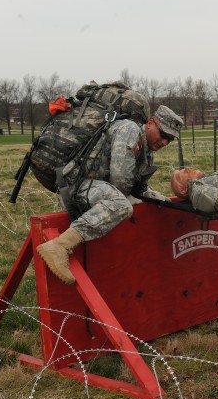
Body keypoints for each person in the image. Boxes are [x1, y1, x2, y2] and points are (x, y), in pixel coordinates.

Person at [37, 105, 183, 286]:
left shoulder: (146, 150)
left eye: (170, 139)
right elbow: (121, 179)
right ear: (150, 123)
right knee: (121, 204)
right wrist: (130, 197)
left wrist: (161, 200)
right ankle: (60, 246)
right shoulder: (129, 129)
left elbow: (138, 187)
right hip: (78, 185)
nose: (164, 142)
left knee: (123, 202)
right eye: (163, 135)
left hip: (95, 186)